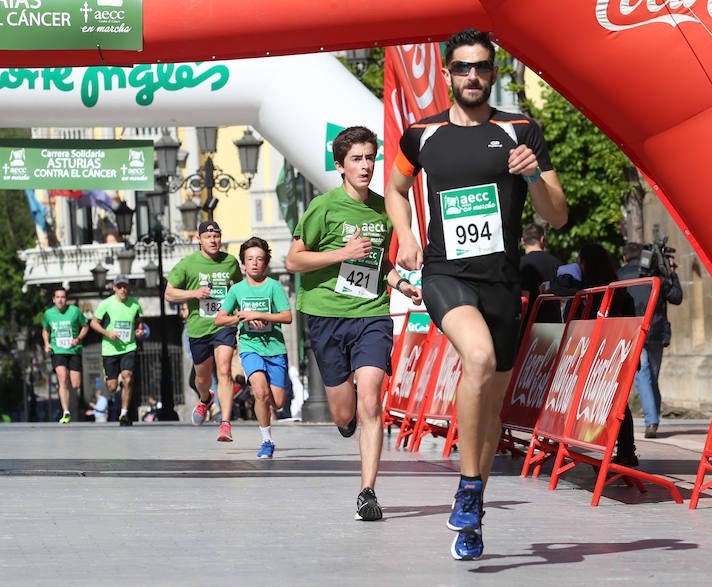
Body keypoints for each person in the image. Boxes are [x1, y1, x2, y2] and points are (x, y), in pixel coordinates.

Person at [384, 29, 567, 560]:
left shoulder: (520, 130)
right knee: (479, 358)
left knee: (490, 408)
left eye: (481, 67)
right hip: (446, 275)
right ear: (446, 74)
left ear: (492, 72)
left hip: (503, 282)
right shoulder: (422, 135)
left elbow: (555, 214)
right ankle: (466, 488)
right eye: (462, 67)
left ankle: (475, 507)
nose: (472, 76)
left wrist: (534, 177)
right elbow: (396, 189)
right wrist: (410, 236)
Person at [287, 125, 423, 521]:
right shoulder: (323, 207)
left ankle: (367, 492)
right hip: (327, 314)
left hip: (371, 315)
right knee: (344, 413)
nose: (365, 166)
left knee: (370, 400)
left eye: (369, 157)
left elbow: (377, 262)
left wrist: (401, 283)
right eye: (356, 159)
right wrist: (341, 253)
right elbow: (294, 261)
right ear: (340, 166)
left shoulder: (384, 207)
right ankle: (347, 423)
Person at [547, 243, 637, 467]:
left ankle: (587, 446)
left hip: (589, 353)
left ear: (584, 264)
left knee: (586, 399)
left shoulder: (586, 290)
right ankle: (626, 450)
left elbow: (560, 289)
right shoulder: (619, 289)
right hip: (616, 354)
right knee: (616, 402)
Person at [216, 236, 293, 459]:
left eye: (259, 259)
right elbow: (220, 319)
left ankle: (266, 408)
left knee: (277, 402)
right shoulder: (237, 290)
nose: (255, 263)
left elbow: (287, 316)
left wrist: (260, 315)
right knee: (260, 392)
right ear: (243, 263)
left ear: (265, 263)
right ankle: (266, 440)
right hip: (250, 347)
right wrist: (241, 318)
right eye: (250, 259)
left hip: (275, 348)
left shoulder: (273, 287)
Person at [165, 220, 243, 441]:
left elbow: (239, 288)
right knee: (202, 378)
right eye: (208, 237)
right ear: (199, 240)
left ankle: (225, 423)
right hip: (199, 328)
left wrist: (241, 312)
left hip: (224, 324)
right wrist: (193, 293)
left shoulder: (230, 262)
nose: (213, 240)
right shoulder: (188, 264)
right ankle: (204, 398)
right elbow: (169, 294)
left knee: (225, 370)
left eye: (216, 236)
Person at [617, 242, 683, 438]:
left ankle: (652, 418)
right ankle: (651, 421)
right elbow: (677, 297)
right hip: (656, 332)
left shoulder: (618, 276)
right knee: (646, 371)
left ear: (624, 258)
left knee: (648, 375)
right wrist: (672, 274)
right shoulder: (656, 276)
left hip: (633, 331)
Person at [89, 274, 146, 426]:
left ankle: (124, 414)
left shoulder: (135, 304)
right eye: (119, 286)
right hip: (110, 349)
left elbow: (140, 322)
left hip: (129, 347)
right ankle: (117, 384)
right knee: (112, 387)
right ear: (114, 288)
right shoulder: (106, 304)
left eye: (125, 286)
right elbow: (93, 323)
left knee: (128, 377)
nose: (122, 289)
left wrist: (140, 331)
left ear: (128, 287)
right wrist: (108, 333)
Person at [41, 288, 89, 424]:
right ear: (53, 299)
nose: (60, 300)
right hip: (58, 350)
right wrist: (46, 343)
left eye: (63, 297)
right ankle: (66, 412)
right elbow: (45, 329)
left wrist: (78, 339)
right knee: (62, 379)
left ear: (66, 299)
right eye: (57, 297)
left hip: (74, 350)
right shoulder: (48, 314)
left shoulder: (74, 311)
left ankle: (67, 395)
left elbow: (86, 326)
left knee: (75, 384)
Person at [520, 222, 562, 324]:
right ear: (542, 239)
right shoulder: (558, 263)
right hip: (555, 326)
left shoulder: (520, 264)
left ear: (522, 241)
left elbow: (524, 299)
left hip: (529, 328)